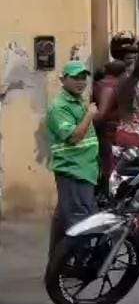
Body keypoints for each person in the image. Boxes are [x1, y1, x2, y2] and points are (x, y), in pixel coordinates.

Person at [47, 61, 100, 253]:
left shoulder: (77, 101)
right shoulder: (60, 107)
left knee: (64, 219)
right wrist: (90, 115)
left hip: (84, 169)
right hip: (73, 170)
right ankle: (77, 263)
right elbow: (74, 137)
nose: (80, 82)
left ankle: (58, 264)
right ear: (63, 80)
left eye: (83, 77)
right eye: (75, 78)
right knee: (78, 221)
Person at [92, 59, 127, 199]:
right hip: (107, 132)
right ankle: (106, 197)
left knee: (108, 165)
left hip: (107, 131)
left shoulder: (103, 85)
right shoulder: (110, 87)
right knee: (108, 166)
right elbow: (101, 114)